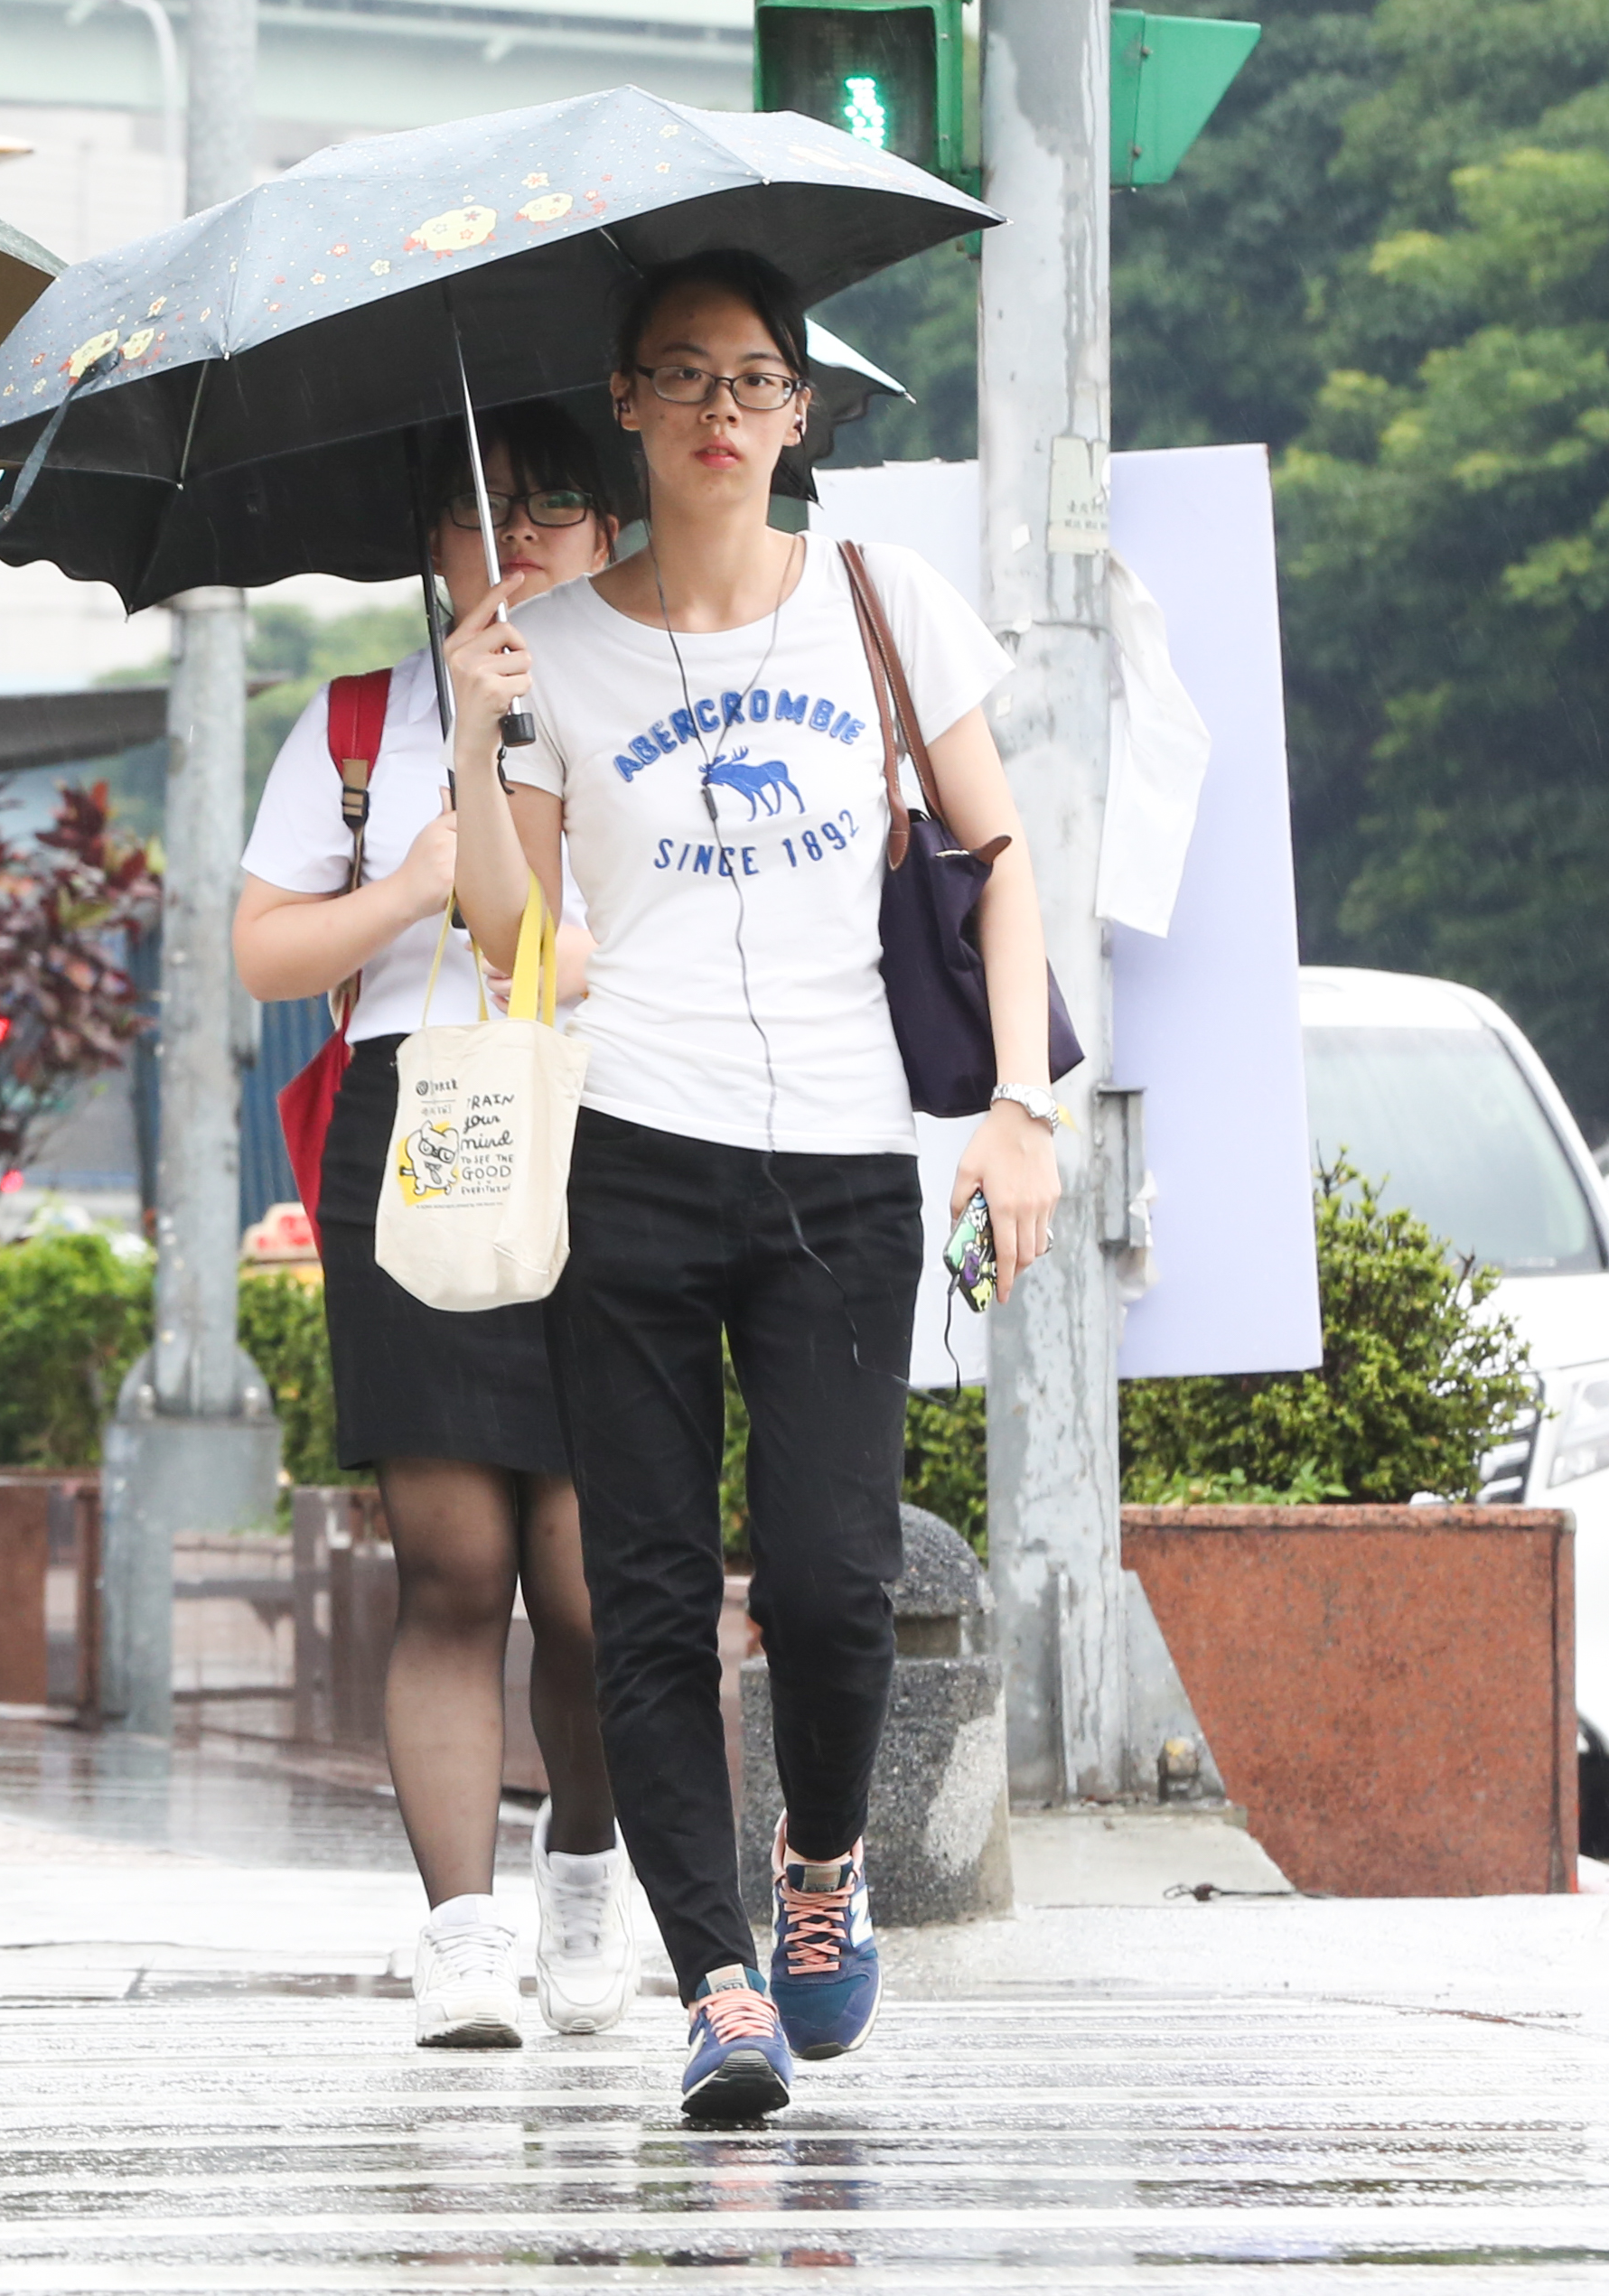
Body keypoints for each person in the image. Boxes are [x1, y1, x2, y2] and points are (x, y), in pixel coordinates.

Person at [446, 249, 1061, 2124]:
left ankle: (814, 1871)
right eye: (677, 376)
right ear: (619, 408)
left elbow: (994, 853)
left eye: (752, 379)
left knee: (824, 1571)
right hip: (622, 1142)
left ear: (797, 410)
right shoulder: (545, 651)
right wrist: (475, 739)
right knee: (633, 1588)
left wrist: (1016, 1105)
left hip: (836, 1162)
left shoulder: (883, 608)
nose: (719, 410)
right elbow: (514, 944)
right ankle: (709, 1978)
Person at [233, 401, 632, 2049]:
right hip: (421, 1128)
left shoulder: (652, 701)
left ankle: (592, 1865)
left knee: (596, 1574)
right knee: (457, 1559)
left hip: (611, 1125)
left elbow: (558, 941)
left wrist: (501, 772)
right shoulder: (352, 721)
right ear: (429, 543)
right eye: (482, 514)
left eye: (553, 509)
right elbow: (266, 954)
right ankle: (463, 1929)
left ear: (611, 531)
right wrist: (396, 888)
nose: (517, 540)